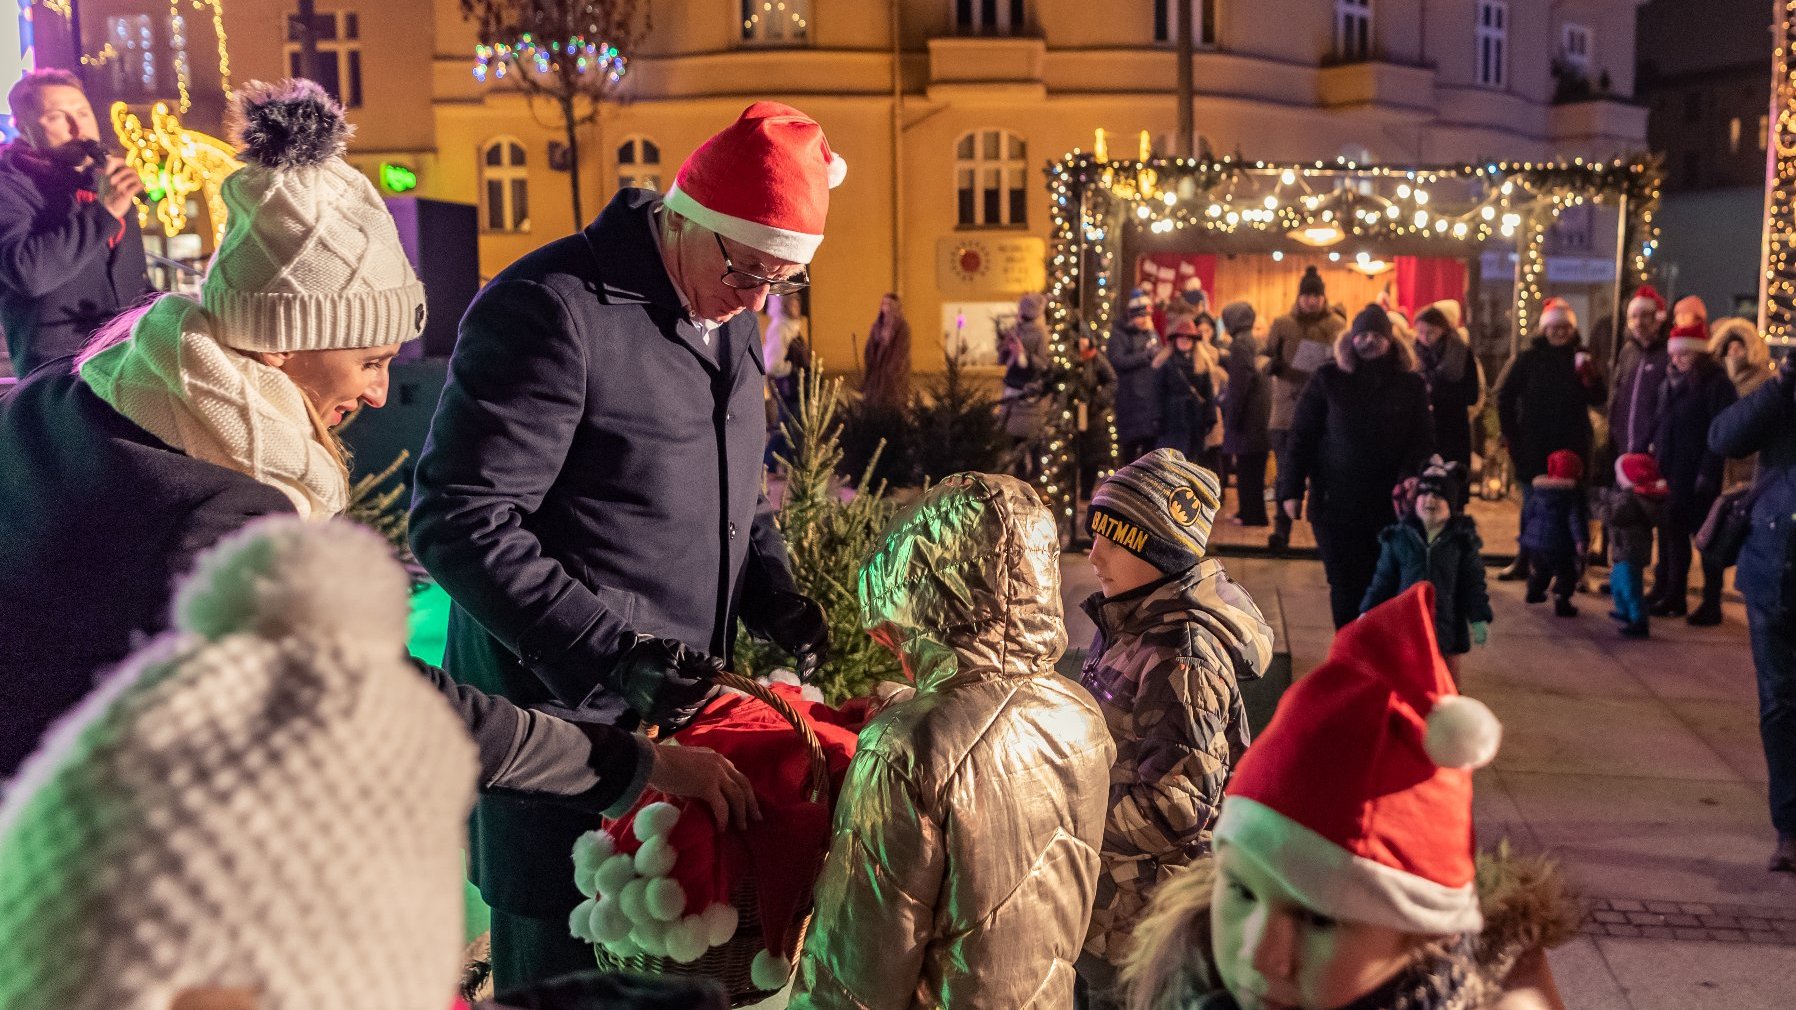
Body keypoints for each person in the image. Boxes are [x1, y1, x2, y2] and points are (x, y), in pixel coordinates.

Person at [0, 81, 747, 825]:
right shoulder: (223, 512)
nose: (383, 393)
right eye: (371, 359)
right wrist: (630, 764)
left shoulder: (67, 398)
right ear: (282, 343)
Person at [409, 101, 834, 989]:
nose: (759, 298)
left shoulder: (730, 311)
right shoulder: (552, 308)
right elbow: (461, 519)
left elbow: (735, 493)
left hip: (681, 750)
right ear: (684, 217)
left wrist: (779, 598)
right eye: (748, 269)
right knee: (565, 985)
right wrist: (608, 654)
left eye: (781, 281)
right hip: (564, 753)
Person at [1120, 585, 1575, 1010]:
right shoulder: (1185, 983)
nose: (1261, 956)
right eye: (1240, 890)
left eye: (1319, 920)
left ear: (1428, 937)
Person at [790, 473, 1115, 1009]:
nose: (897, 655)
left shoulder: (904, 751)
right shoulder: (1080, 718)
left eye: (895, 636)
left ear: (925, 609)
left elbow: (854, 976)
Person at [1075, 450, 1274, 1008]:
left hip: (1142, 921)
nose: (1094, 555)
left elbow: (1178, 805)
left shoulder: (1179, 654)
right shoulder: (1134, 622)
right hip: (1113, 909)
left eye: (1113, 539)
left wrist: (1067, 818)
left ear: (1158, 552)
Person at [1277, 304, 1434, 629]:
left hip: (1389, 506)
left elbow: (1422, 440)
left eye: (1377, 334)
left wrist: (1409, 476)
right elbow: (1302, 436)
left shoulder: (1410, 385)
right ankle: (1348, 654)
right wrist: (1290, 489)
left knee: (1385, 583)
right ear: (1351, 338)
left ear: (1391, 341)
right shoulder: (1329, 378)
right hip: (1336, 504)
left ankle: (1377, 658)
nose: (1369, 341)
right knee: (1345, 585)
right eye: (1362, 334)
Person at [0, 69, 149, 376]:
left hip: (130, 360)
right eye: (57, 117)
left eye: (83, 112)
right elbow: (29, 273)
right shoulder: (9, 186)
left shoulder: (102, 182)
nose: (77, 126)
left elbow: (131, 279)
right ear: (23, 127)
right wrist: (104, 211)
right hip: (60, 375)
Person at [1709, 354, 1796, 873]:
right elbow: (1724, 438)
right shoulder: (1782, 397)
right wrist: (1780, 386)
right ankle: (1790, 828)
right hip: (1774, 568)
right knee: (1780, 704)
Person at [1494, 298, 1607, 580]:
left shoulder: (1581, 358)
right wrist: (1512, 435)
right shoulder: (1528, 359)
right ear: (1544, 328)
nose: (1559, 332)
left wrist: (1590, 377)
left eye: (1565, 327)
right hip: (1534, 445)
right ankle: (1525, 559)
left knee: (1574, 506)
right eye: (1554, 326)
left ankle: (1574, 566)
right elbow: (1505, 396)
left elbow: (1599, 398)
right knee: (1533, 504)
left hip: (1573, 446)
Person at [1362, 460, 1491, 679]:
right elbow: (1383, 580)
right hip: (1407, 625)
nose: (1430, 499)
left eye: (1438, 496)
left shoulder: (1461, 541)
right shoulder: (1399, 538)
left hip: (1448, 627)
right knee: (1408, 678)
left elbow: (1473, 582)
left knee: (1446, 683)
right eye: (1425, 494)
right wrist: (1368, 610)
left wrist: (1479, 617)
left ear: (1451, 504)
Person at [1649, 321, 1737, 620]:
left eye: (1685, 354)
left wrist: (1709, 471)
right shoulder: (1669, 383)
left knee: (1706, 539)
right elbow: (1662, 425)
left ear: (1699, 353)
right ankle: (1675, 595)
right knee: (1674, 540)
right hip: (1671, 472)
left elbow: (1721, 432)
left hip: (1700, 475)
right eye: (1675, 354)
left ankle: (1711, 603)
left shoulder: (1715, 384)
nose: (1677, 359)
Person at [1692, 318, 1777, 625]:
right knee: (1712, 535)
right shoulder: (1713, 382)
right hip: (1717, 469)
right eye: (1729, 346)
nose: (1734, 352)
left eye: (1739, 346)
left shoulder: (1764, 383)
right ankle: (1711, 597)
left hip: (1746, 472)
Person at [1264, 266, 1347, 553]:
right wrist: (1271, 365)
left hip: (1324, 413)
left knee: (1325, 474)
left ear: (1324, 298)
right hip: (1286, 411)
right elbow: (1263, 356)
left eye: (1317, 295)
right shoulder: (1283, 323)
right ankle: (1280, 532)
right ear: (1299, 297)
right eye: (1307, 295)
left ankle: (1327, 535)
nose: (1312, 300)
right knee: (1286, 472)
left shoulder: (1337, 325)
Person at [1518, 449, 1590, 618]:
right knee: (1566, 573)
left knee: (1541, 570)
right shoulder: (1572, 494)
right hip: (1560, 544)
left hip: (1536, 542)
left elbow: (1528, 513)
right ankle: (1562, 600)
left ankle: (1534, 592)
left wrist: (1528, 535)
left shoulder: (1540, 491)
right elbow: (1576, 519)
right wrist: (1581, 540)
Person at [1604, 453, 1668, 639]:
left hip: (1629, 549)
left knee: (1630, 586)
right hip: (1628, 549)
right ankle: (1625, 611)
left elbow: (1614, 517)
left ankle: (1639, 620)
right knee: (1619, 583)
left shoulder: (1630, 499)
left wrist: (1600, 506)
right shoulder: (1638, 497)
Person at [1412, 304, 1484, 468]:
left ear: (1443, 330)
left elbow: (1471, 395)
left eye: (1430, 332)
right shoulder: (1411, 354)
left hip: (1452, 429)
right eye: (1420, 332)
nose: (1424, 338)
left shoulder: (1460, 353)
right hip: (1422, 429)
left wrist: (1438, 390)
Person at [1219, 300, 1271, 526]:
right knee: (1254, 469)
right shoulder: (1254, 340)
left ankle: (1252, 516)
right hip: (1260, 415)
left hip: (1247, 417)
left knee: (1247, 469)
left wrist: (1232, 417)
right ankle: (1248, 512)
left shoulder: (1240, 344)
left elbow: (1240, 384)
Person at [1607, 285, 1670, 459]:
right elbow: (1618, 395)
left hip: (1652, 450)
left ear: (1657, 319)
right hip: (1624, 447)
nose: (1638, 322)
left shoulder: (1667, 354)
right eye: (1633, 316)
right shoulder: (1627, 352)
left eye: (1644, 316)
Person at [999, 290, 1053, 476]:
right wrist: (1006, 349)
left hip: (1030, 393)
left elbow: (1044, 363)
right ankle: (1020, 473)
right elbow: (1002, 357)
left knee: (1032, 440)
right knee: (1016, 439)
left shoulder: (1042, 334)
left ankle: (1034, 477)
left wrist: (1025, 355)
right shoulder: (1017, 330)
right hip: (1013, 388)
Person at [1110, 289, 1163, 461]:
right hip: (1130, 401)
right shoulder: (1119, 335)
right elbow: (1118, 361)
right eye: (1142, 316)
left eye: (1148, 316)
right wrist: (1145, 355)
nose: (1145, 321)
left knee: (1150, 453)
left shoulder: (1151, 333)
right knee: (1129, 454)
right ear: (1133, 316)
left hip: (1150, 402)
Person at [1154, 317, 1217, 462]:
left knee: (1192, 461)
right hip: (1172, 421)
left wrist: (1209, 419)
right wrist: (1157, 419)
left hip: (1195, 421)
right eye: (1181, 337)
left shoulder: (1201, 365)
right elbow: (1157, 394)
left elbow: (1208, 394)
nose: (1184, 340)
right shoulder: (1165, 364)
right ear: (1174, 339)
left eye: (1189, 337)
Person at [1073, 329, 1119, 504]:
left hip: (1089, 412)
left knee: (1089, 456)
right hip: (1072, 412)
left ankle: (1085, 494)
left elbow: (1112, 381)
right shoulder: (1069, 358)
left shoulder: (1096, 359)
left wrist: (1098, 401)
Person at [859, 291, 910, 412]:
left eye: (889, 304)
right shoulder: (877, 326)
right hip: (876, 376)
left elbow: (900, 353)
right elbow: (869, 349)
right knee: (874, 407)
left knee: (891, 408)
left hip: (892, 379)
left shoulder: (902, 327)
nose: (886, 307)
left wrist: (890, 373)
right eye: (884, 304)